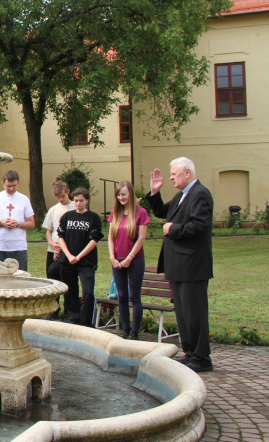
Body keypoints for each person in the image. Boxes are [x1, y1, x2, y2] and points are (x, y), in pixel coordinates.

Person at [147, 157, 214, 372]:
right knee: (184, 314)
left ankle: (202, 358)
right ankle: (190, 354)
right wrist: (155, 193)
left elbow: (200, 226)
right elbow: (162, 213)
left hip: (193, 265)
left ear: (187, 172)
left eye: (174, 174)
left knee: (195, 313)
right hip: (179, 265)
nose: (171, 177)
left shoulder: (200, 194)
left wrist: (172, 230)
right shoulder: (182, 195)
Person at [108, 181, 150, 340]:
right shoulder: (115, 213)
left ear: (131, 194)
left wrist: (129, 258)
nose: (121, 197)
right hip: (117, 260)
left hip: (135, 259)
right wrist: (112, 257)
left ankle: (135, 332)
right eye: (118, 195)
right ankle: (125, 329)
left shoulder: (141, 213)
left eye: (124, 194)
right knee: (122, 296)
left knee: (134, 296)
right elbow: (111, 238)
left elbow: (141, 239)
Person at [57, 188, 103, 327]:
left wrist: (79, 256)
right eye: (76, 200)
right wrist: (69, 256)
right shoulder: (67, 216)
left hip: (86, 262)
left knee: (88, 292)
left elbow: (94, 240)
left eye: (81, 200)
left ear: (87, 201)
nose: (78, 203)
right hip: (68, 261)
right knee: (70, 290)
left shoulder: (93, 218)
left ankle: (86, 320)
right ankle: (73, 316)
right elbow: (61, 237)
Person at [0, 170, 36, 271]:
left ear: (18, 183)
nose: (11, 189)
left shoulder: (24, 199)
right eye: (8, 186)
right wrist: (1, 223)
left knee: (21, 276)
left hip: (18, 246)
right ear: (3, 184)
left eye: (14, 185)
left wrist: (18, 224)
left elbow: (31, 223)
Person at [41, 181, 74, 320]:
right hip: (53, 249)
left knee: (67, 280)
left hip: (67, 250)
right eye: (58, 197)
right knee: (52, 278)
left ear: (68, 191)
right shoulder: (54, 209)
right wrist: (51, 242)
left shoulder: (74, 207)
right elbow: (49, 230)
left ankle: (68, 310)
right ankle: (53, 309)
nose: (61, 199)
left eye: (62, 196)